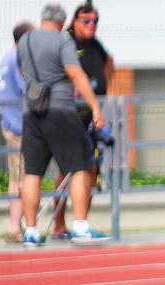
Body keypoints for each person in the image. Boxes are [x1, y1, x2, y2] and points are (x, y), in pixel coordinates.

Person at [17, 3, 108, 247]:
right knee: (81, 165)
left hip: (31, 111)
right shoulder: (62, 42)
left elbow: (21, 69)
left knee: (32, 172)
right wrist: (96, 107)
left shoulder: (25, 40)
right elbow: (75, 73)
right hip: (59, 109)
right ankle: (80, 225)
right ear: (62, 22)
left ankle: (32, 231)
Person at [52, 2, 114, 239]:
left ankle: (82, 222)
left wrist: (105, 83)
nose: (91, 25)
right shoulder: (66, 42)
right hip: (69, 119)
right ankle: (59, 225)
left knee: (90, 169)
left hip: (91, 120)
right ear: (74, 22)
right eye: (86, 21)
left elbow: (109, 61)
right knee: (67, 171)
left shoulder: (95, 44)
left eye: (95, 21)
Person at [0, 21, 34, 244]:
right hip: (17, 126)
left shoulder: (6, 57)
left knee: (17, 176)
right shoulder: (17, 58)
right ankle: (14, 228)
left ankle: (16, 226)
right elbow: (28, 89)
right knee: (20, 178)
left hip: (10, 122)